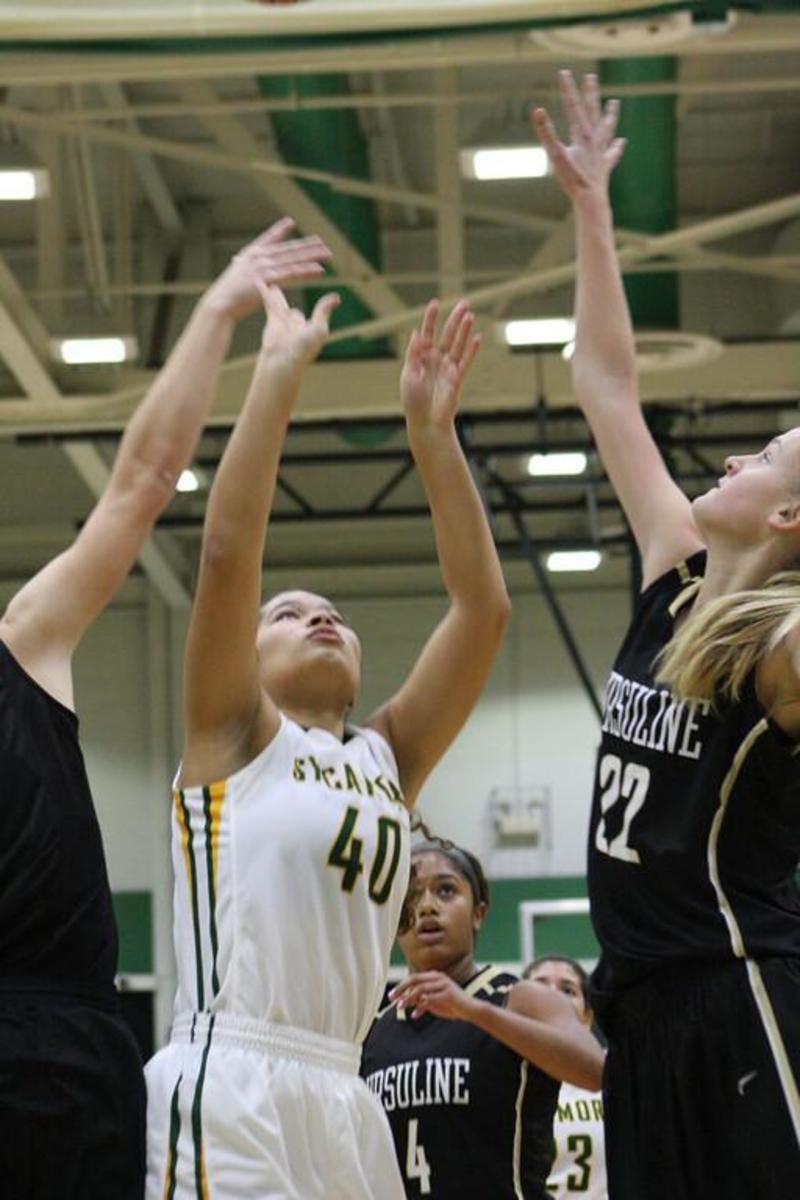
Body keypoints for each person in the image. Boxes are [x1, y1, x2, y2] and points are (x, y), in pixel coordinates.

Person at [144, 290, 511, 1198]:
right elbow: (229, 553)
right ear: (248, 653)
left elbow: (483, 610)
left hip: (345, 1093)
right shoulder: (231, 733)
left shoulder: (384, 758)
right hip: (231, 1077)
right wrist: (275, 376)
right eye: (290, 613)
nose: (320, 617)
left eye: (335, 616)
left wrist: (434, 438)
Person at [0, 218, 331, 1199]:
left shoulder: (22, 645)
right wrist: (218, 309)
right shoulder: (25, 640)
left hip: (62, 1045)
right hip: (61, 1055)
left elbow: (143, 485)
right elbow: (140, 486)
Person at [533, 71, 800, 1197]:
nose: (731, 459)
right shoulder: (672, 577)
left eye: (765, 457)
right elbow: (603, 383)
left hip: (734, 990)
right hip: (635, 1008)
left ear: (789, 517)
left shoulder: (781, 646)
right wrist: (591, 211)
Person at [361, 838, 604, 1198]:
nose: (427, 906)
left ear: (479, 912)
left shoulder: (519, 997)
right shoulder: (372, 1025)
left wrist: (473, 1010)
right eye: (412, 895)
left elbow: (594, 1070)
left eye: (446, 890)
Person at [523, 956, 607, 1199]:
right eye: (540, 985)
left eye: (568, 990)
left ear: (587, 1018)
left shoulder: (614, 1073)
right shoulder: (497, 1076)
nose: (553, 997)